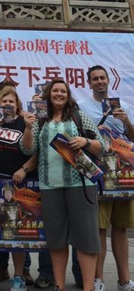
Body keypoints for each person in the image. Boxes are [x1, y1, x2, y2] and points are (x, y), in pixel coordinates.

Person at [21, 79, 104, 291]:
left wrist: (85, 141)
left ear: (68, 95)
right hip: (49, 187)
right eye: (55, 91)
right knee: (56, 240)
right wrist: (28, 127)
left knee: (85, 238)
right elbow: (28, 149)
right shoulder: (40, 119)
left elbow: (101, 145)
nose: (59, 94)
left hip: (81, 185)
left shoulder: (78, 115)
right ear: (48, 94)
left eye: (63, 91)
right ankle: (59, 286)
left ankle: (88, 287)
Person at [78, 66, 134, 291]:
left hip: (123, 174)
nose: (100, 81)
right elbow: (78, 139)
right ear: (89, 83)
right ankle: (98, 280)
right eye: (95, 79)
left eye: (102, 78)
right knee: (99, 229)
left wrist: (127, 122)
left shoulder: (125, 107)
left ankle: (124, 281)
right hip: (99, 174)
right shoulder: (82, 107)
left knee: (120, 228)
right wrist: (95, 132)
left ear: (109, 80)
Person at [0, 86, 37, 291]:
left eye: (11, 101)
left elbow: (34, 152)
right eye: (3, 101)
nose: (7, 104)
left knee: (16, 230)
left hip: (17, 183)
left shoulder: (25, 122)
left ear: (17, 105)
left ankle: (19, 276)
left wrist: (24, 169)